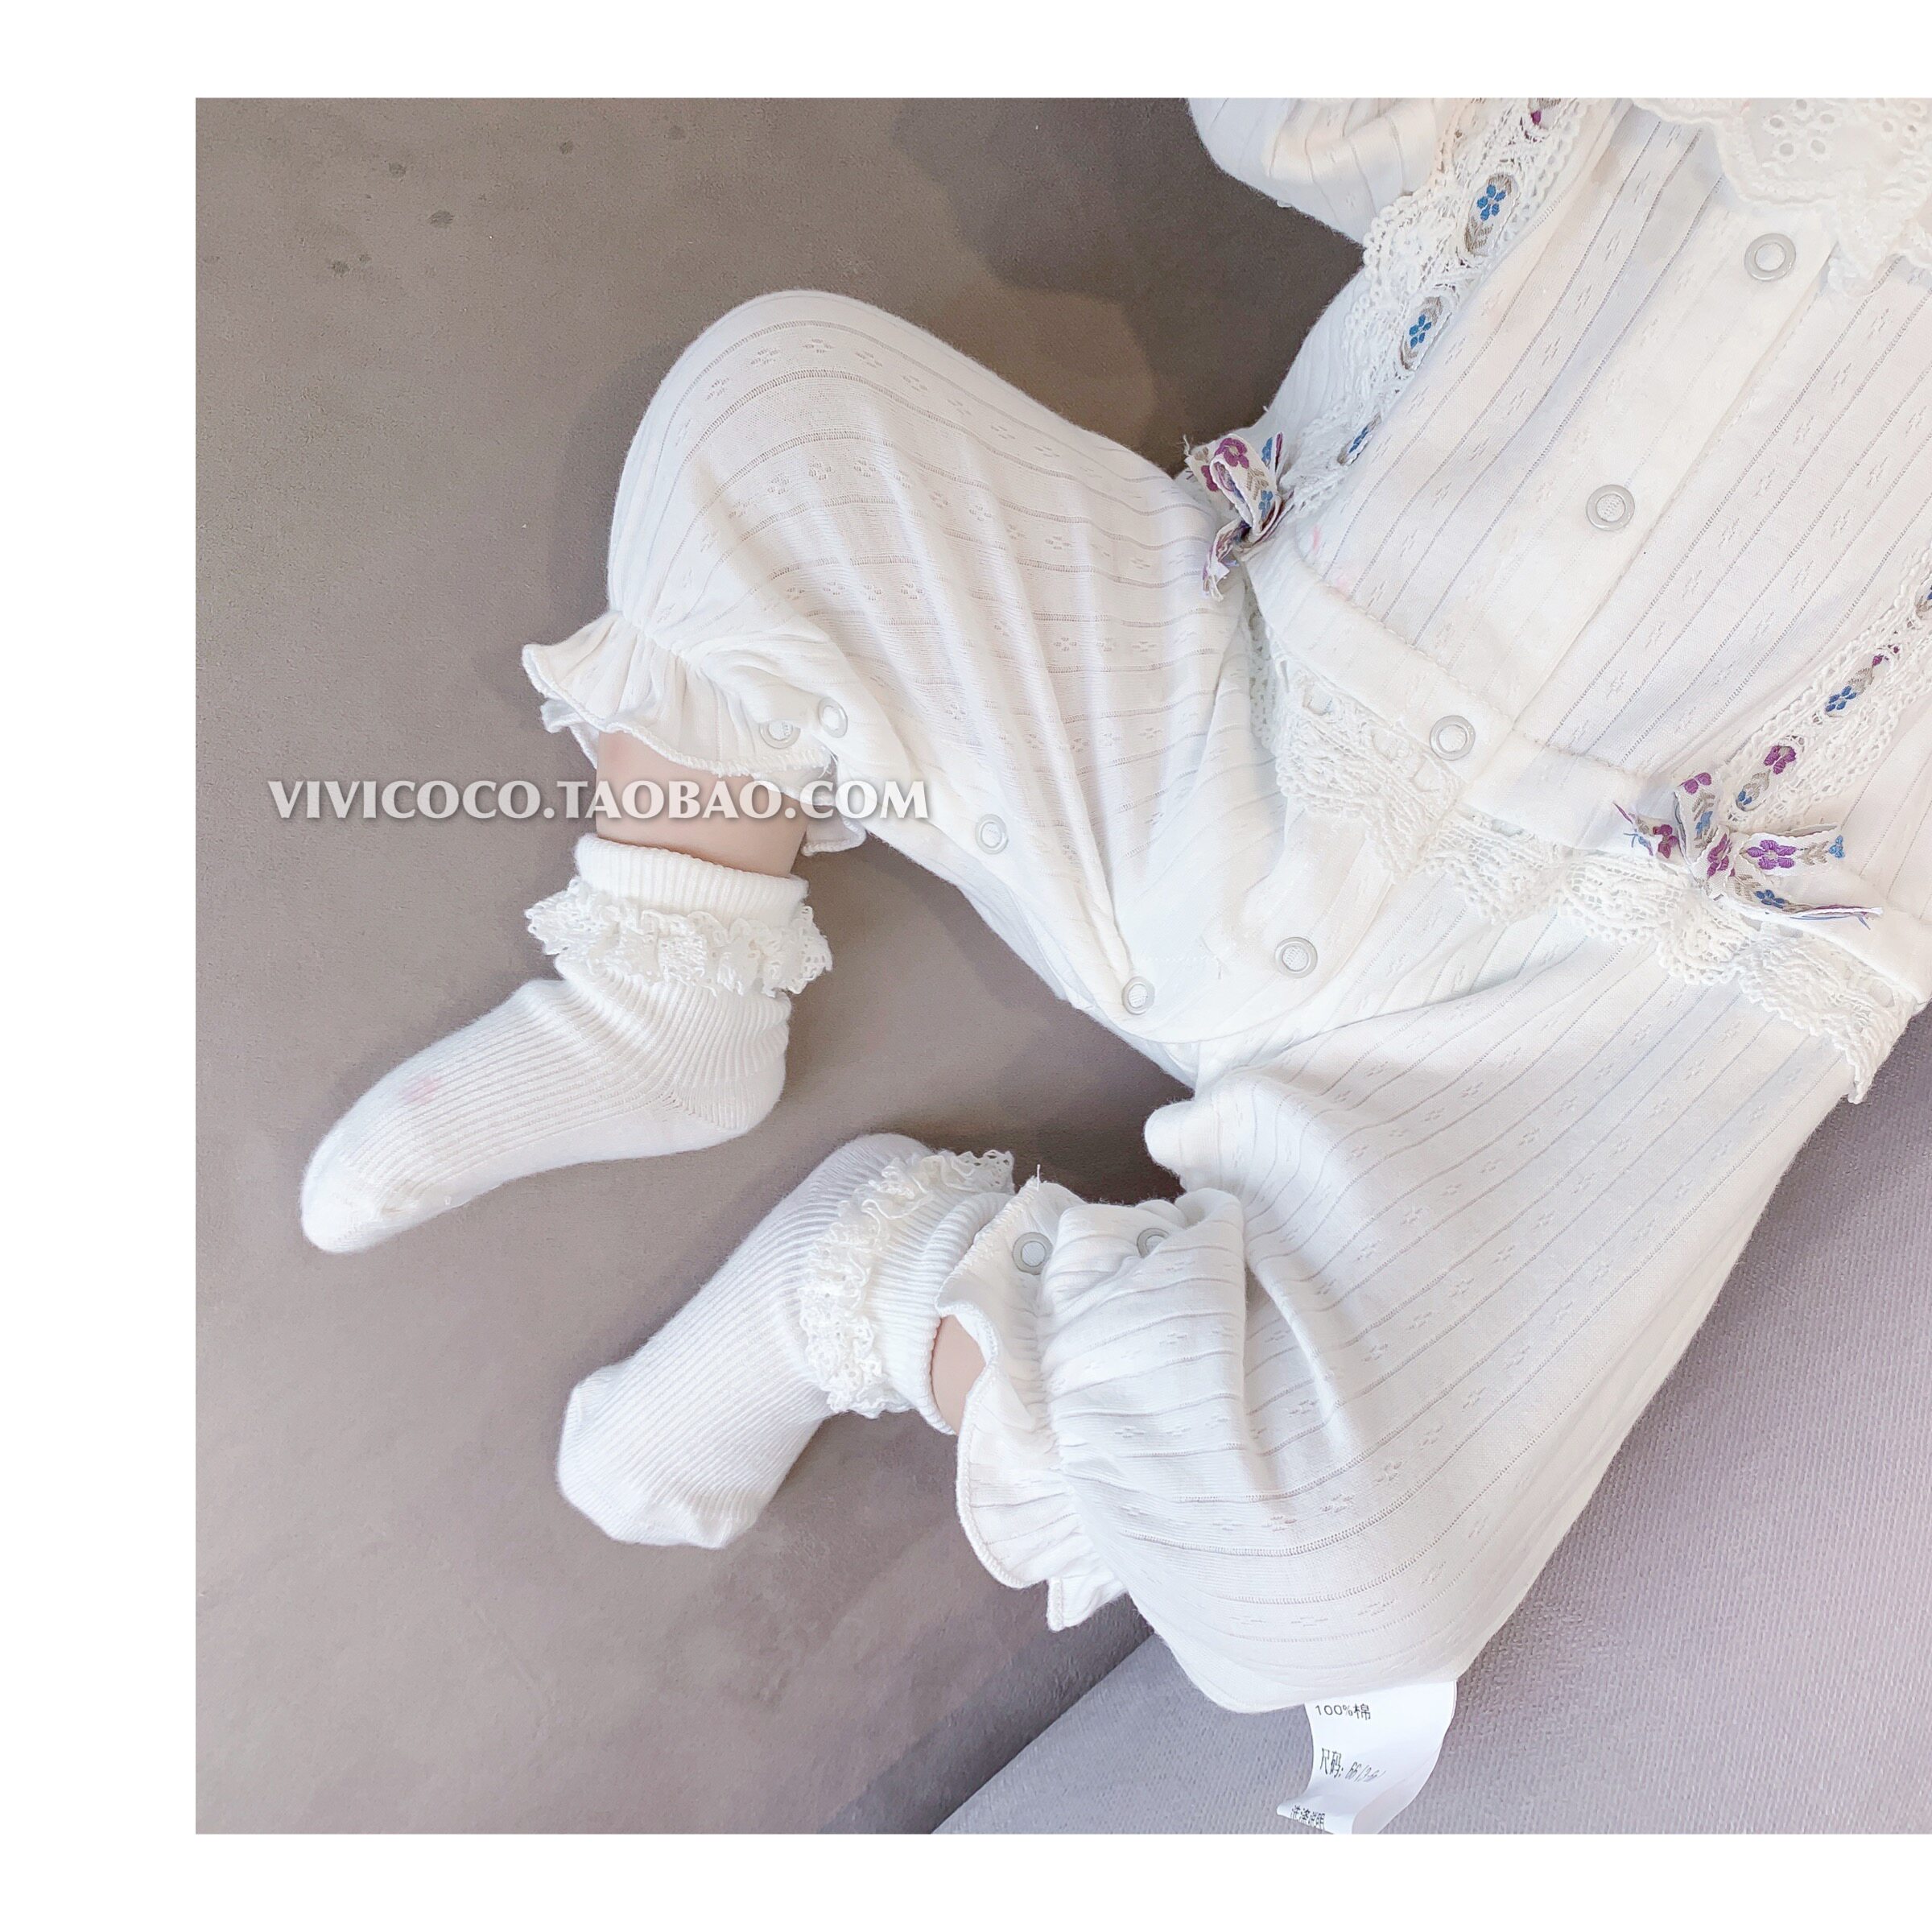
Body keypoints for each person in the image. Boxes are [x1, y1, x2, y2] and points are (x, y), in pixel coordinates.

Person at [302, 100, 1931, 1740]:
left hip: (1597, 991)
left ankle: (877, 1280)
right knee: (769, 410)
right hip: (1233, 706)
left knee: (1347, 1591)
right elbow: (1296, 117)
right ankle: (668, 972)